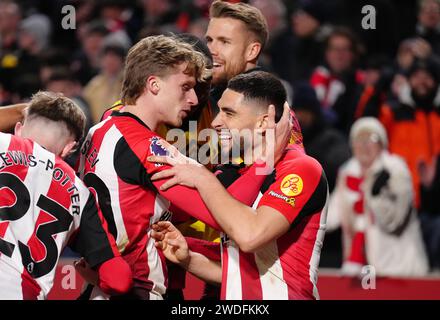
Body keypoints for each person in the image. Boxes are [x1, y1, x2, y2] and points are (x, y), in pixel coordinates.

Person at [76, 35, 280, 300]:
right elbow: (222, 216)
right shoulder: (150, 147)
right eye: (185, 87)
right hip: (138, 288)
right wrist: (265, 158)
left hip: (100, 285)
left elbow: (146, 207)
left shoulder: (100, 129)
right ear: (153, 84)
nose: (194, 99)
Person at [150, 71, 329, 300]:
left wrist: (202, 178)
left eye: (229, 113)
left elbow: (250, 235)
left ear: (264, 121)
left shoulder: (301, 168)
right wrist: (188, 258)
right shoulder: (240, 172)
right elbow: (242, 274)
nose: (215, 122)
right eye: (219, 111)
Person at [0, 91, 132, 299]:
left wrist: (19, 110)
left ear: (18, 129)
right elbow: (119, 280)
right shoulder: (80, 193)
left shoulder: (3, 143)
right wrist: (95, 279)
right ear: (70, 148)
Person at [326, 117, 429, 276]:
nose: (364, 145)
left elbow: (393, 221)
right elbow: (330, 216)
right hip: (361, 272)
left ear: (382, 143)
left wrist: (374, 196)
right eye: (358, 139)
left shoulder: (395, 170)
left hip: (400, 270)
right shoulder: (347, 173)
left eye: (371, 139)